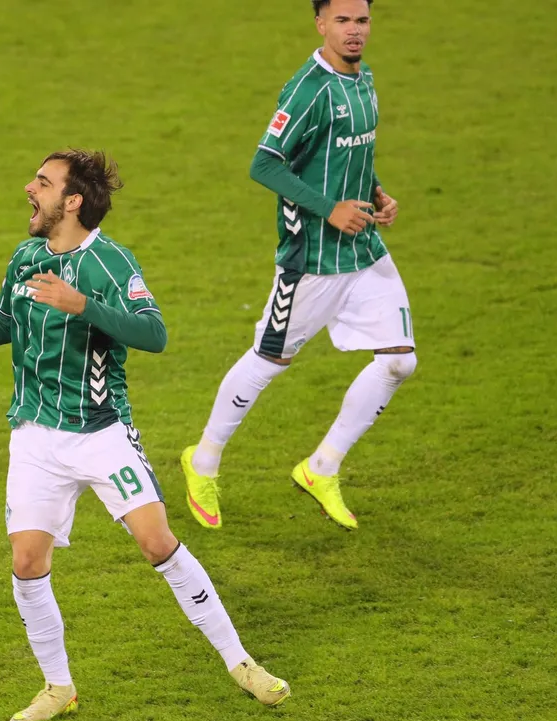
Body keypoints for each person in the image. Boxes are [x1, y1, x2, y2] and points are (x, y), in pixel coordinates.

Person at [0, 150, 290, 721]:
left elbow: (154, 334)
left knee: (156, 543)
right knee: (27, 560)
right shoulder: (27, 257)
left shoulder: (111, 263)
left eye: (43, 183)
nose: (30, 189)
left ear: (72, 201)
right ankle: (58, 687)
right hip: (35, 436)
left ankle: (241, 663)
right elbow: (6, 321)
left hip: (100, 432)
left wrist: (84, 305)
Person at [181, 0, 415, 531]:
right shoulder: (308, 89)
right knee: (269, 361)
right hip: (311, 259)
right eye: (342, 21)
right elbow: (264, 164)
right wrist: (329, 208)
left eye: (362, 21)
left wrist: (376, 191)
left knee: (400, 361)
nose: (354, 31)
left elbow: (349, 152)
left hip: (363, 249)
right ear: (320, 23)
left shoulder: (363, 78)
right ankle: (204, 461)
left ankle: (321, 467)